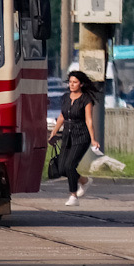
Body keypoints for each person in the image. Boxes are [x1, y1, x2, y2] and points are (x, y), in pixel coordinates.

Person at [49, 70, 99, 206]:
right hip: (67, 135)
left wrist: (93, 139)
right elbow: (62, 116)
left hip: (81, 135)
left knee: (70, 165)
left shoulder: (86, 99)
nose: (72, 84)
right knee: (61, 168)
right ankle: (84, 180)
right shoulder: (65, 97)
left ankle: (73, 196)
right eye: (70, 82)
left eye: (75, 82)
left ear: (81, 84)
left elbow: (89, 120)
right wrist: (54, 132)